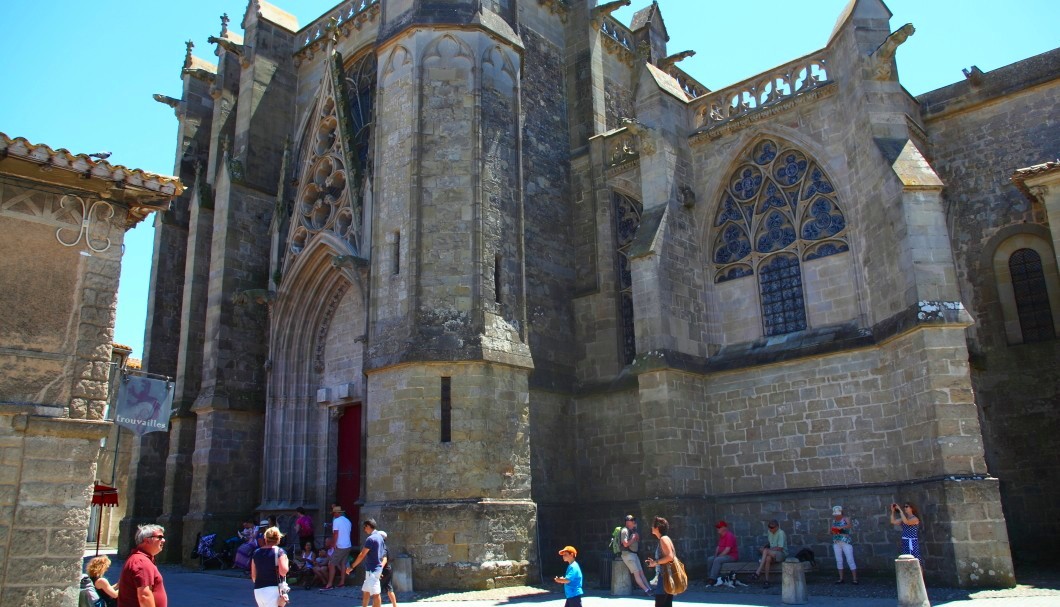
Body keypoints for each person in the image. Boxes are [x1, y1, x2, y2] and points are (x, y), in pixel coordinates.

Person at [117, 524, 168, 607]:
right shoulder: (141, 561)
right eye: (160, 537)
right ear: (147, 540)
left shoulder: (141, 558)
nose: (163, 540)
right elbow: (144, 596)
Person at [346, 518, 387, 607]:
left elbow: (362, 554)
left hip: (372, 570)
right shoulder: (380, 537)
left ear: (368, 526)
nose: (364, 529)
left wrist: (352, 566)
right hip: (374, 569)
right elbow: (383, 555)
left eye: (364, 527)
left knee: (375, 594)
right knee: (366, 591)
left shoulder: (371, 539)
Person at [250, 526, 290, 607]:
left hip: (258, 590)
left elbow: (254, 576)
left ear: (265, 538)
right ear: (278, 538)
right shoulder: (279, 552)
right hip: (273, 589)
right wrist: (286, 561)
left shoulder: (256, 552)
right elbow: (283, 571)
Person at [644, 516, 676, 607]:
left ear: (657, 528)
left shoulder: (663, 539)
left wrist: (656, 562)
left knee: (660, 603)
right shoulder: (665, 538)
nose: (651, 528)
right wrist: (655, 563)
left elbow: (670, 556)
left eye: (652, 526)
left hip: (665, 577)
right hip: (666, 576)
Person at [618, 515, 652, 595]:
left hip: (634, 554)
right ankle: (646, 590)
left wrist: (636, 537)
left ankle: (649, 589)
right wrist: (633, 539)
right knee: (637, 574)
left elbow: (635, 541)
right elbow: (625, 544)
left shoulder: (632, 531)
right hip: (628, 555)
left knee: (641, 573)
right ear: (627, 522)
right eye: (631, 520)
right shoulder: (624, 531)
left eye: (634, 520)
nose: (633, 521)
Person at [325, 505, 353, 590]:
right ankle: (342, 582)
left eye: (334, 513)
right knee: (343, 563)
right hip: (348, 545)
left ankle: (329, 584)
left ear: (337, 513)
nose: (333, 514)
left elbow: (336, 533)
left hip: (341, 545)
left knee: (331, 564)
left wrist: (334, 544)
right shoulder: (348, 521)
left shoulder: (336, 521)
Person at [751, 519, 786, 588]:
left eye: (772, 528)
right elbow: (771, 544)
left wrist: (766, 550)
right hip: (772, 554)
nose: (770, 529)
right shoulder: (769, 532)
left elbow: (780, 548)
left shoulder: (781, 533)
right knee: (768, 558)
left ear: (777, 527)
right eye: (769, 527)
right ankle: (767, 580)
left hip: (781, 554)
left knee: (766, 551)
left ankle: (758, 572)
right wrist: (764, 547)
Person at [705, 520, 738, 586]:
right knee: (710, 559)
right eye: (717, 527)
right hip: (723, 555)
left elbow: (727, 550)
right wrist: (715, 555)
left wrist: (718, 557)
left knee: (717, 560)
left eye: (719, 527)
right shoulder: (721, 536)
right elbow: (718, 547)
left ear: (724, 528)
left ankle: (713, 579)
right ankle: (709, 577)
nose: (717, 529)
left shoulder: (729, 536)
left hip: (731, 556)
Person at [831, 505, 858, 584]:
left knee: (850, 560)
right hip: (836, 542)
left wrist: (840, 528)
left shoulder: (845, 519)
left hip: (846, 542)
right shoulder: (833, 521)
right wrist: (835, 531)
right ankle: (841, 578)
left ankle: (855, 579)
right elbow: (831, 531)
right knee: (839, 560)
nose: (836, 515)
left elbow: (849, 526)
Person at [377, 530, 399, 607]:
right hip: (387, 569)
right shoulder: (383, 546)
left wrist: (379, 569)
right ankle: (394, 605)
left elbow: (384, 559)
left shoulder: (382, 548)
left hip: (383, 570)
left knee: (377, 589)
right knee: (389, 587)